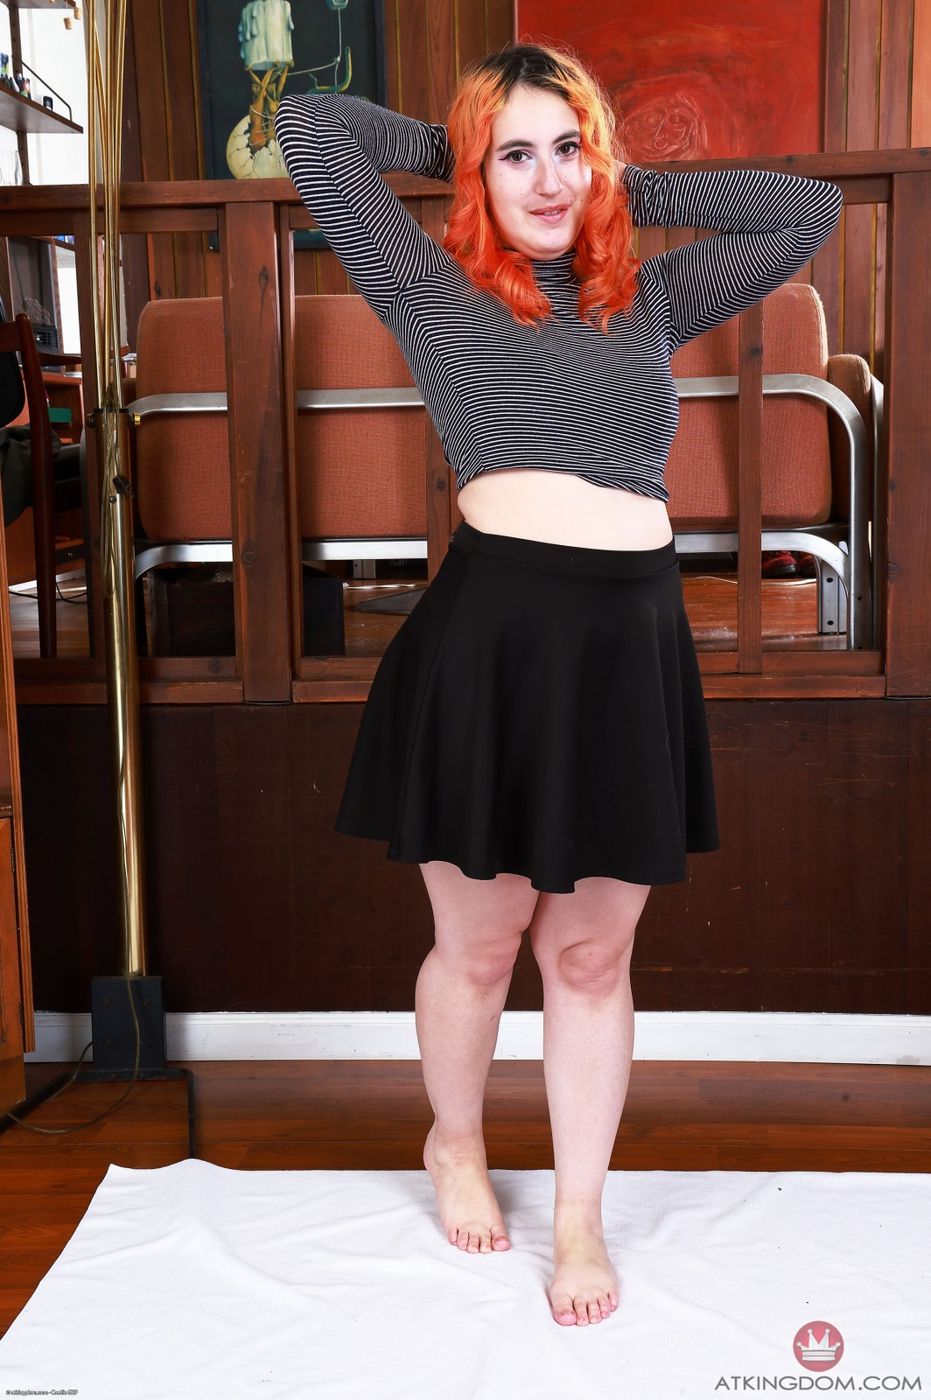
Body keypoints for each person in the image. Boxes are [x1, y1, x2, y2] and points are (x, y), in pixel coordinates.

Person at [275, 42, 843, 1329]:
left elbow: (806, 211)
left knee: (590, 956)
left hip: (625, 650)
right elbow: (311, 128)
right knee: (479, 948)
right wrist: (461, 145)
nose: (545, 178)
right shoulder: (425, 281)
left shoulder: (648, 296)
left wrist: (615, 175)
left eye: (565, 149)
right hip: (494, 644)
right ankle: (455, 1140)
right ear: (482, 172)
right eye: (516, 156)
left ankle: (579, 1213)